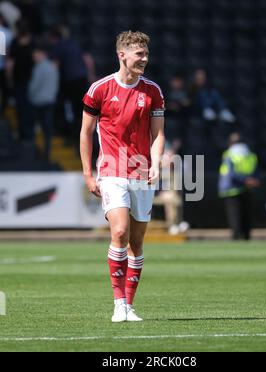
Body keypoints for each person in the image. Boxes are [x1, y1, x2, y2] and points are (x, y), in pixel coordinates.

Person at [80, 31, 165, 322]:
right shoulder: (99, 89)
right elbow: (86, 133)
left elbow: (158, 133)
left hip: (141, 172)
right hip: (111, 171)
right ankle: (118, 304)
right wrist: (88, 175)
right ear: (122, 55)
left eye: (146, 54)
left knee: (137, 242)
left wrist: (155, 163)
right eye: (139, 54)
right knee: (119, 232)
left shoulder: (152, 91)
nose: (145, 59)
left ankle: (129, 305)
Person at [218, 132, 260, 240]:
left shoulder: (229, 154)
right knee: (247, 215)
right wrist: (250, 181)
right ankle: (246, 237)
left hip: (231, 188)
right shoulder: (250, 154)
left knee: (235, 216)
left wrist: (245, 180)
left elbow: (230, 174)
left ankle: (236, 236)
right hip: (247, 188)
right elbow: (255, 171)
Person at [28, 43, 59, 161]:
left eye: (35, 55)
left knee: (35, 129)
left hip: (38, 103)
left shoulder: (38, 68)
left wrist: (30, 96)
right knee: (47, 130)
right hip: (50, 101)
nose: (33, 57)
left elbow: (33, 86)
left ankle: (36, 153)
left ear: (41, 54)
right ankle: (46, 153)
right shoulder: (52, 67)